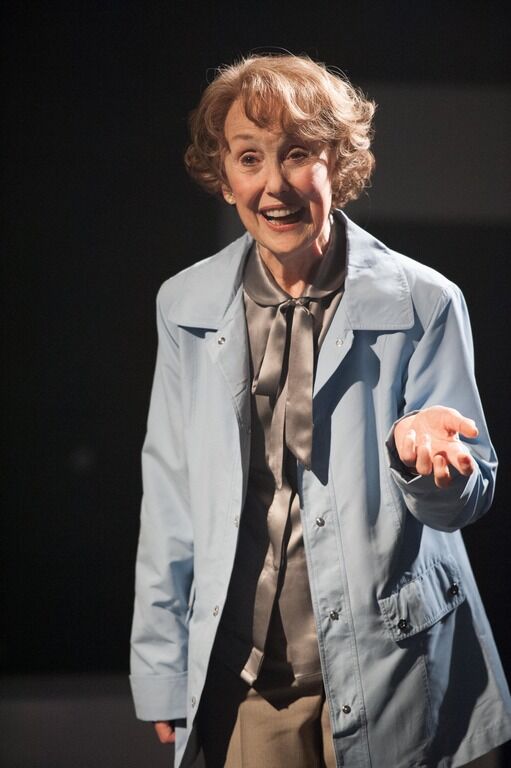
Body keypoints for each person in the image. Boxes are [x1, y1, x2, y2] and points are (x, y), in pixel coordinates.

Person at [130, 54, 511, 768]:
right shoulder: (183, 304)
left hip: (394, 667)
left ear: (339, 163)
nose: (273, 185)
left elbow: (464, 499)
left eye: (298, 153)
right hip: (248, 679)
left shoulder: (424, 301)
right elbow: (170, 494)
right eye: (249, 157)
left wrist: (425, 461)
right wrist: (160, 665)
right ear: (224, 176)